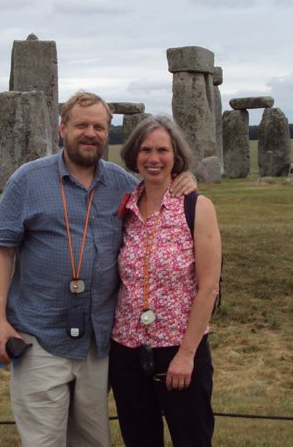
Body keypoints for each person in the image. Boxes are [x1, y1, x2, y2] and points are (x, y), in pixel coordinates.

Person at [0, 92, 196, 447]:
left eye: (99, 126)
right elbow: (1, 253)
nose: (90, 133)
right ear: (63, 128)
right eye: (82, 125)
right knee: (44, 442)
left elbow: (163, 192)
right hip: (40, 339)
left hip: (98, 345)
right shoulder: (28, 180)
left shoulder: (124, 185)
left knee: (94, 441)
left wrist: (185, 180)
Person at [109, 115, 222, 447]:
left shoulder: (196, 207)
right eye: (145, 150)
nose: (153, 158)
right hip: (127, 349)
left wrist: (186, 354)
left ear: (177, 156)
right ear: (134, 155)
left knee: (192, 439)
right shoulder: (124, 206)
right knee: (138, 439)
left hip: (179, 348)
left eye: (162, 150)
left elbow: (209, 287)